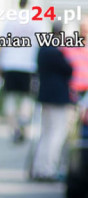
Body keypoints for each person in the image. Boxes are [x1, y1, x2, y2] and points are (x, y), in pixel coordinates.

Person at [31, 22, 73, 181]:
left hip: (45, 96)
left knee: (46, 133)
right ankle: (49, 169)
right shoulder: (57, 52)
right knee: (57, 134)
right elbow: (68, 70)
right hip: (58, 97)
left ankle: (39, 167)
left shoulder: (42, 50)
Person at [0, 0, 39, 143]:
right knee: (27, 98)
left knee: (10, 98)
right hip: (29, 66)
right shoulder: (36, 21)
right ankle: (22, 121)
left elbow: (1, 44)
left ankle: (15, 128)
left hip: (10, 64)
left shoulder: (10, 20)